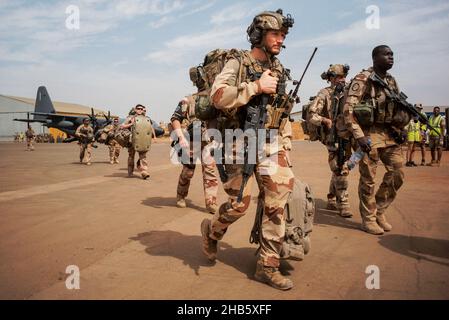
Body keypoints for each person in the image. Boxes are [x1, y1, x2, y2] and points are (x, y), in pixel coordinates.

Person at [200, 9, 296, 290]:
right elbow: (219, 97)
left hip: (269, 143)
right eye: (275, 34)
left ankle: (268, 265)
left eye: (283, 35)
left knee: (277, 201)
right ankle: (212, 231)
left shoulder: (279, 69)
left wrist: (285, 143)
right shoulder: (237, 62)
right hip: (236, 144)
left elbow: (283, 112)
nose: (280, 40)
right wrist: (255, 86)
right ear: (259, 35)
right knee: (239, 205)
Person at [343, 45, 410, 235]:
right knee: (368, 179)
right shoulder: (362, 79)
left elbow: (397, 108)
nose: (391, 57)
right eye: (386, 54)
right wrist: (360, 136)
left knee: (398, 171)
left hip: (388, 133)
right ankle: (369, 219)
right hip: (367, 134)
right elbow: (348, 112)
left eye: (392, 54)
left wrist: (401, 128)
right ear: (375, 57)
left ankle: (380, 210)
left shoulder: (391, 80)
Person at [308, 64, 353, 217]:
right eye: (339, 77)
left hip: (350, 136)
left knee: (339, 168)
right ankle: (343, 204)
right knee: (341, 168)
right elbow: (312, 115)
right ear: (331, 78)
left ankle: (331, 198)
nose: (343, 80)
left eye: (344, 76)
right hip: (332, 137)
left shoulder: (350, 92)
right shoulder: (324, 94)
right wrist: (326, 121)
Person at [171, 95, 219, 214]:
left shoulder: (216, 99)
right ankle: (181, 195)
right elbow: (175, 118)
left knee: (210, 171)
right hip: (191, 141)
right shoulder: (188, 100)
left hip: (208, 142)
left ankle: (211, 202)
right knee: (188, 171)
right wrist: (181, 137)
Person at [120, 105, 155, 179]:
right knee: (131, 157)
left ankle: (144, 172)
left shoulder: (146, 119)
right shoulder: (131, 118)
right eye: (138, 108)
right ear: (135, 110)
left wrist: (154, 137)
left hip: (142, 141)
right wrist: (131, 124)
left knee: (143, 157)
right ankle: (130, 172)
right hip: (132, 141)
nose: (140, 110)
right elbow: (122, 126)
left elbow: (150, 128)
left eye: (141, 109)